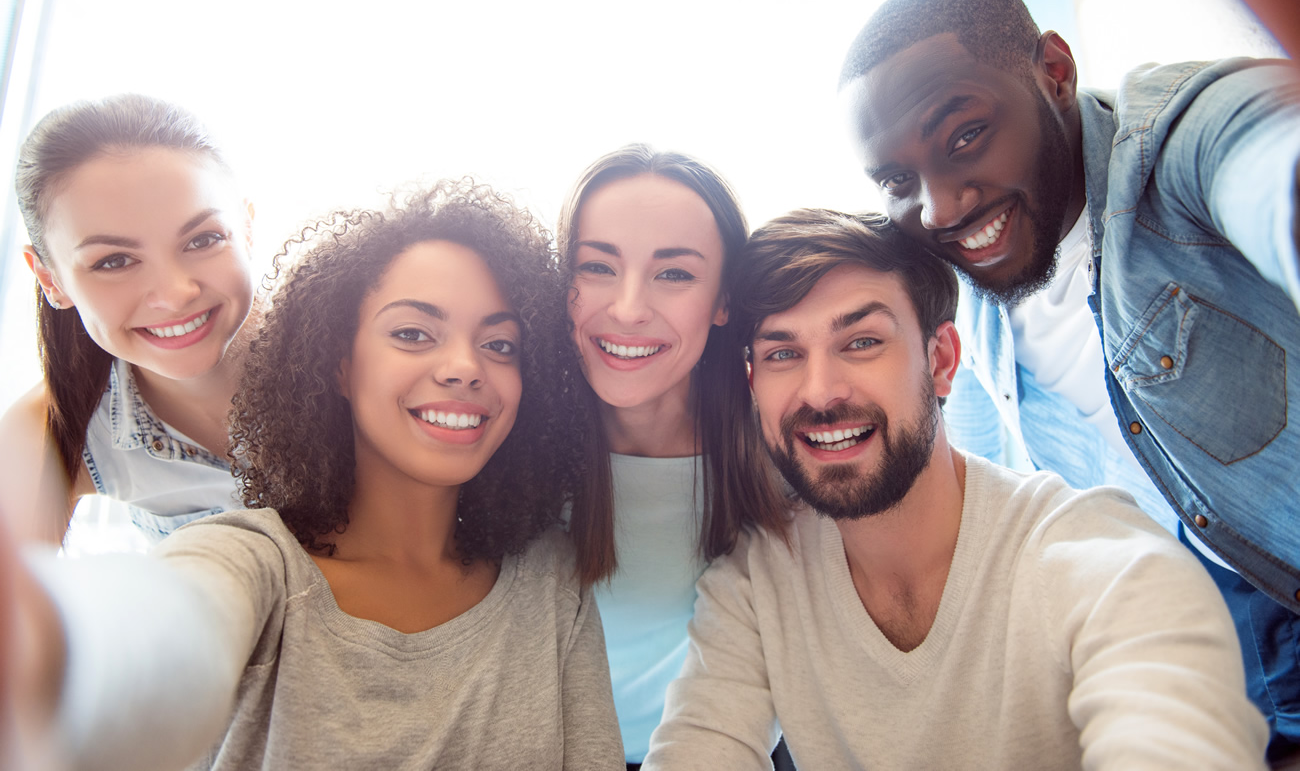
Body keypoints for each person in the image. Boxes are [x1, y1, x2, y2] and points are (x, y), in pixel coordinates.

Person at [836, 0, 1300, 756]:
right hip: (1206, 627)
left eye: (964, 136)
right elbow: (976, 485)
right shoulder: (969, 305)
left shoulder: (1178, 145)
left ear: (1054, 73)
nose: (942, 208)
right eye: (899, 182)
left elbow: (1265, 163)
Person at [6, 180, 623, 770]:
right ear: (339, 366)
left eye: (500, 345)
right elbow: (173, 626)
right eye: (413, 334)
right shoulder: (253, 559)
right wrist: (69, 658)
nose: (464, 366)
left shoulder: (551, 581)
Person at [643, 208, 1268, 770]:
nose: (820, 392)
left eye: (862, 342)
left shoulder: (1105, 565)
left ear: (941, 360)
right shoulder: (756, 584)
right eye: (782, 354)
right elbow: (701, 743)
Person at [556, 144, 788, 767]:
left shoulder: (778, 448)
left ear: (722, 303)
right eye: (597, 267)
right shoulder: (507, 442)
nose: (628, 308)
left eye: (675, 274)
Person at [0, 94, 258, 544]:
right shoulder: (50, 428)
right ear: (50, 278)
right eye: (115, 261)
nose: (176, 294)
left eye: (203, 239)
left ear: (247, 228)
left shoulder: (367, 349)